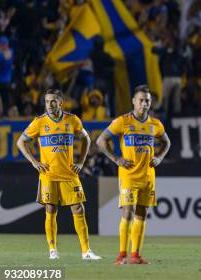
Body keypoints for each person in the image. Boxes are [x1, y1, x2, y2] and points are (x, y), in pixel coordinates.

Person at [15, 89, 102, 261]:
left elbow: (86, 139)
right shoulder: (39, 122)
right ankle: (52, 250)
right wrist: (34, 161)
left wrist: (81, 162)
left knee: (78, 208)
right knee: (51, 209)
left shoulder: (72, 120)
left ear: (61, 103)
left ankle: (86, 251)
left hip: (69, 174)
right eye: (47, 101)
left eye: (53, 101)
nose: (50, 104)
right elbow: (21, 142)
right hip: (48, 174)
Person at [96, 85, 171, 264]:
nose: (144, 103)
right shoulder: (123, 121)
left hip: (147, 176)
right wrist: (116, 159)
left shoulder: (155, 124)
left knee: (141, 214)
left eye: (147, 100)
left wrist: (159, 157)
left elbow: (166, 142)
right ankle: (122, 255)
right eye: (141, 100)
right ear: (133, 101)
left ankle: (135, 255)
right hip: (129, 175)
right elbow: (100, 140)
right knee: (127, 213)